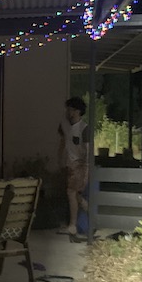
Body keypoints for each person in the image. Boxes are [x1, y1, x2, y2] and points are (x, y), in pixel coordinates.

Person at [57, 96, 90, 235]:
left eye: (70, 109)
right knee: (73, 193)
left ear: (77, 111)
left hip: (80, 164)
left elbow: (87, 150)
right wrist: (60, 159)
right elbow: (62, 142)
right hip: (69, 164)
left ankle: (72, 225)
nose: (67, 112)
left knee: (71, 192)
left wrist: (86, 170)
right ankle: (86, 206)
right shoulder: (64, 126)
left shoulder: (84, 128)